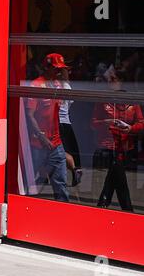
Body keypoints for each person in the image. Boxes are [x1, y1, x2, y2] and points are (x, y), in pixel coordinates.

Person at [91, 67, 144, 212]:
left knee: (115, 176)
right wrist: (107, 122)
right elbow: (94, 123)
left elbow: (141, 122)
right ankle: (127, 209)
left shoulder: (132, 102)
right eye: (109, 79)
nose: (110, 82)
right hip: (108, 146)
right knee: (117, 173)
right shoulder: (104, 100)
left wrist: (131, 128)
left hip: (126, 146)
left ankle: (104, 204)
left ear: (122, 82)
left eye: (113, 79)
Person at [26, 53, 69, 202]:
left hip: (56, 143)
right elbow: (29, 115)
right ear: (47, 67)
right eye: (56, 68)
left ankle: (63, 214)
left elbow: (66, 96)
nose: (58, 72)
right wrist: (41, 136)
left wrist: (64, 75)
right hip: (38, 144)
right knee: (33, 184)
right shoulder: (36, 85)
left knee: (61, 183)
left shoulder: (58, 84)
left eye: (60, 69)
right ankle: (27, 209)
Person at [58, 67, 83, 187]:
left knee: (58, 149)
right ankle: (75, 169)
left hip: (58, 122)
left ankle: (74, 169)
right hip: (66, 121)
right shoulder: (67, 86)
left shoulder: (56, 86)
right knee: (66, 148)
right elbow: (70, 104)